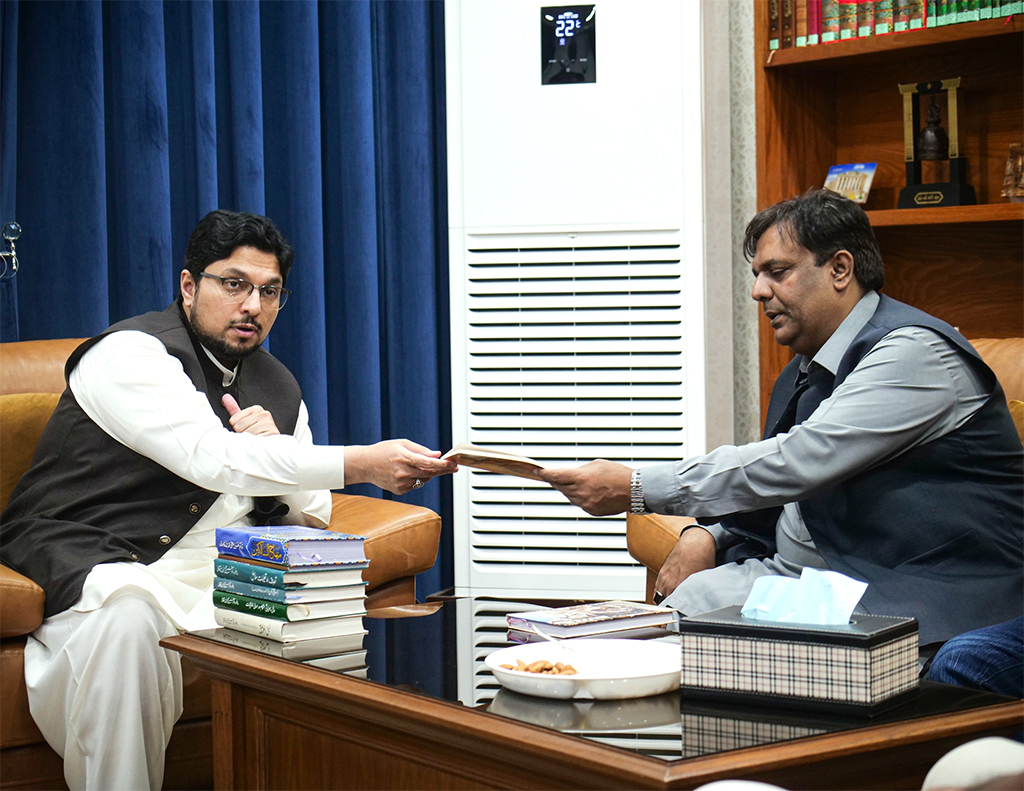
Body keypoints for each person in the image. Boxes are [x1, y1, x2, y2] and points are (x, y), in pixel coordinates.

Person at [0, 210, 457, 790]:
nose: (252, 306)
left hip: (219, 569)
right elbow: (207, 456)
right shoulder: (128, 355)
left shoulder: (279, 383)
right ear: (190, 287)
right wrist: (363, 462)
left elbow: (310, 508)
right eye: (234, 284)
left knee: (326, 614)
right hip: (98, 549)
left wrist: (270, 451)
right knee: (128, 617)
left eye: (269, 292)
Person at [541, 189, 1022, 650]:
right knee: (643, 641)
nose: (757, 291)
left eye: (777, 271)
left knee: (706, 659)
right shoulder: (804, 368)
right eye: (757, 274)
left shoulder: (914, 354)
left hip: (912, 585)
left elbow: (799, 461)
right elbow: (786, 494)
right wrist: (707, 533)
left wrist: (638, 486)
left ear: (839, 269)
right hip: (807, 578)